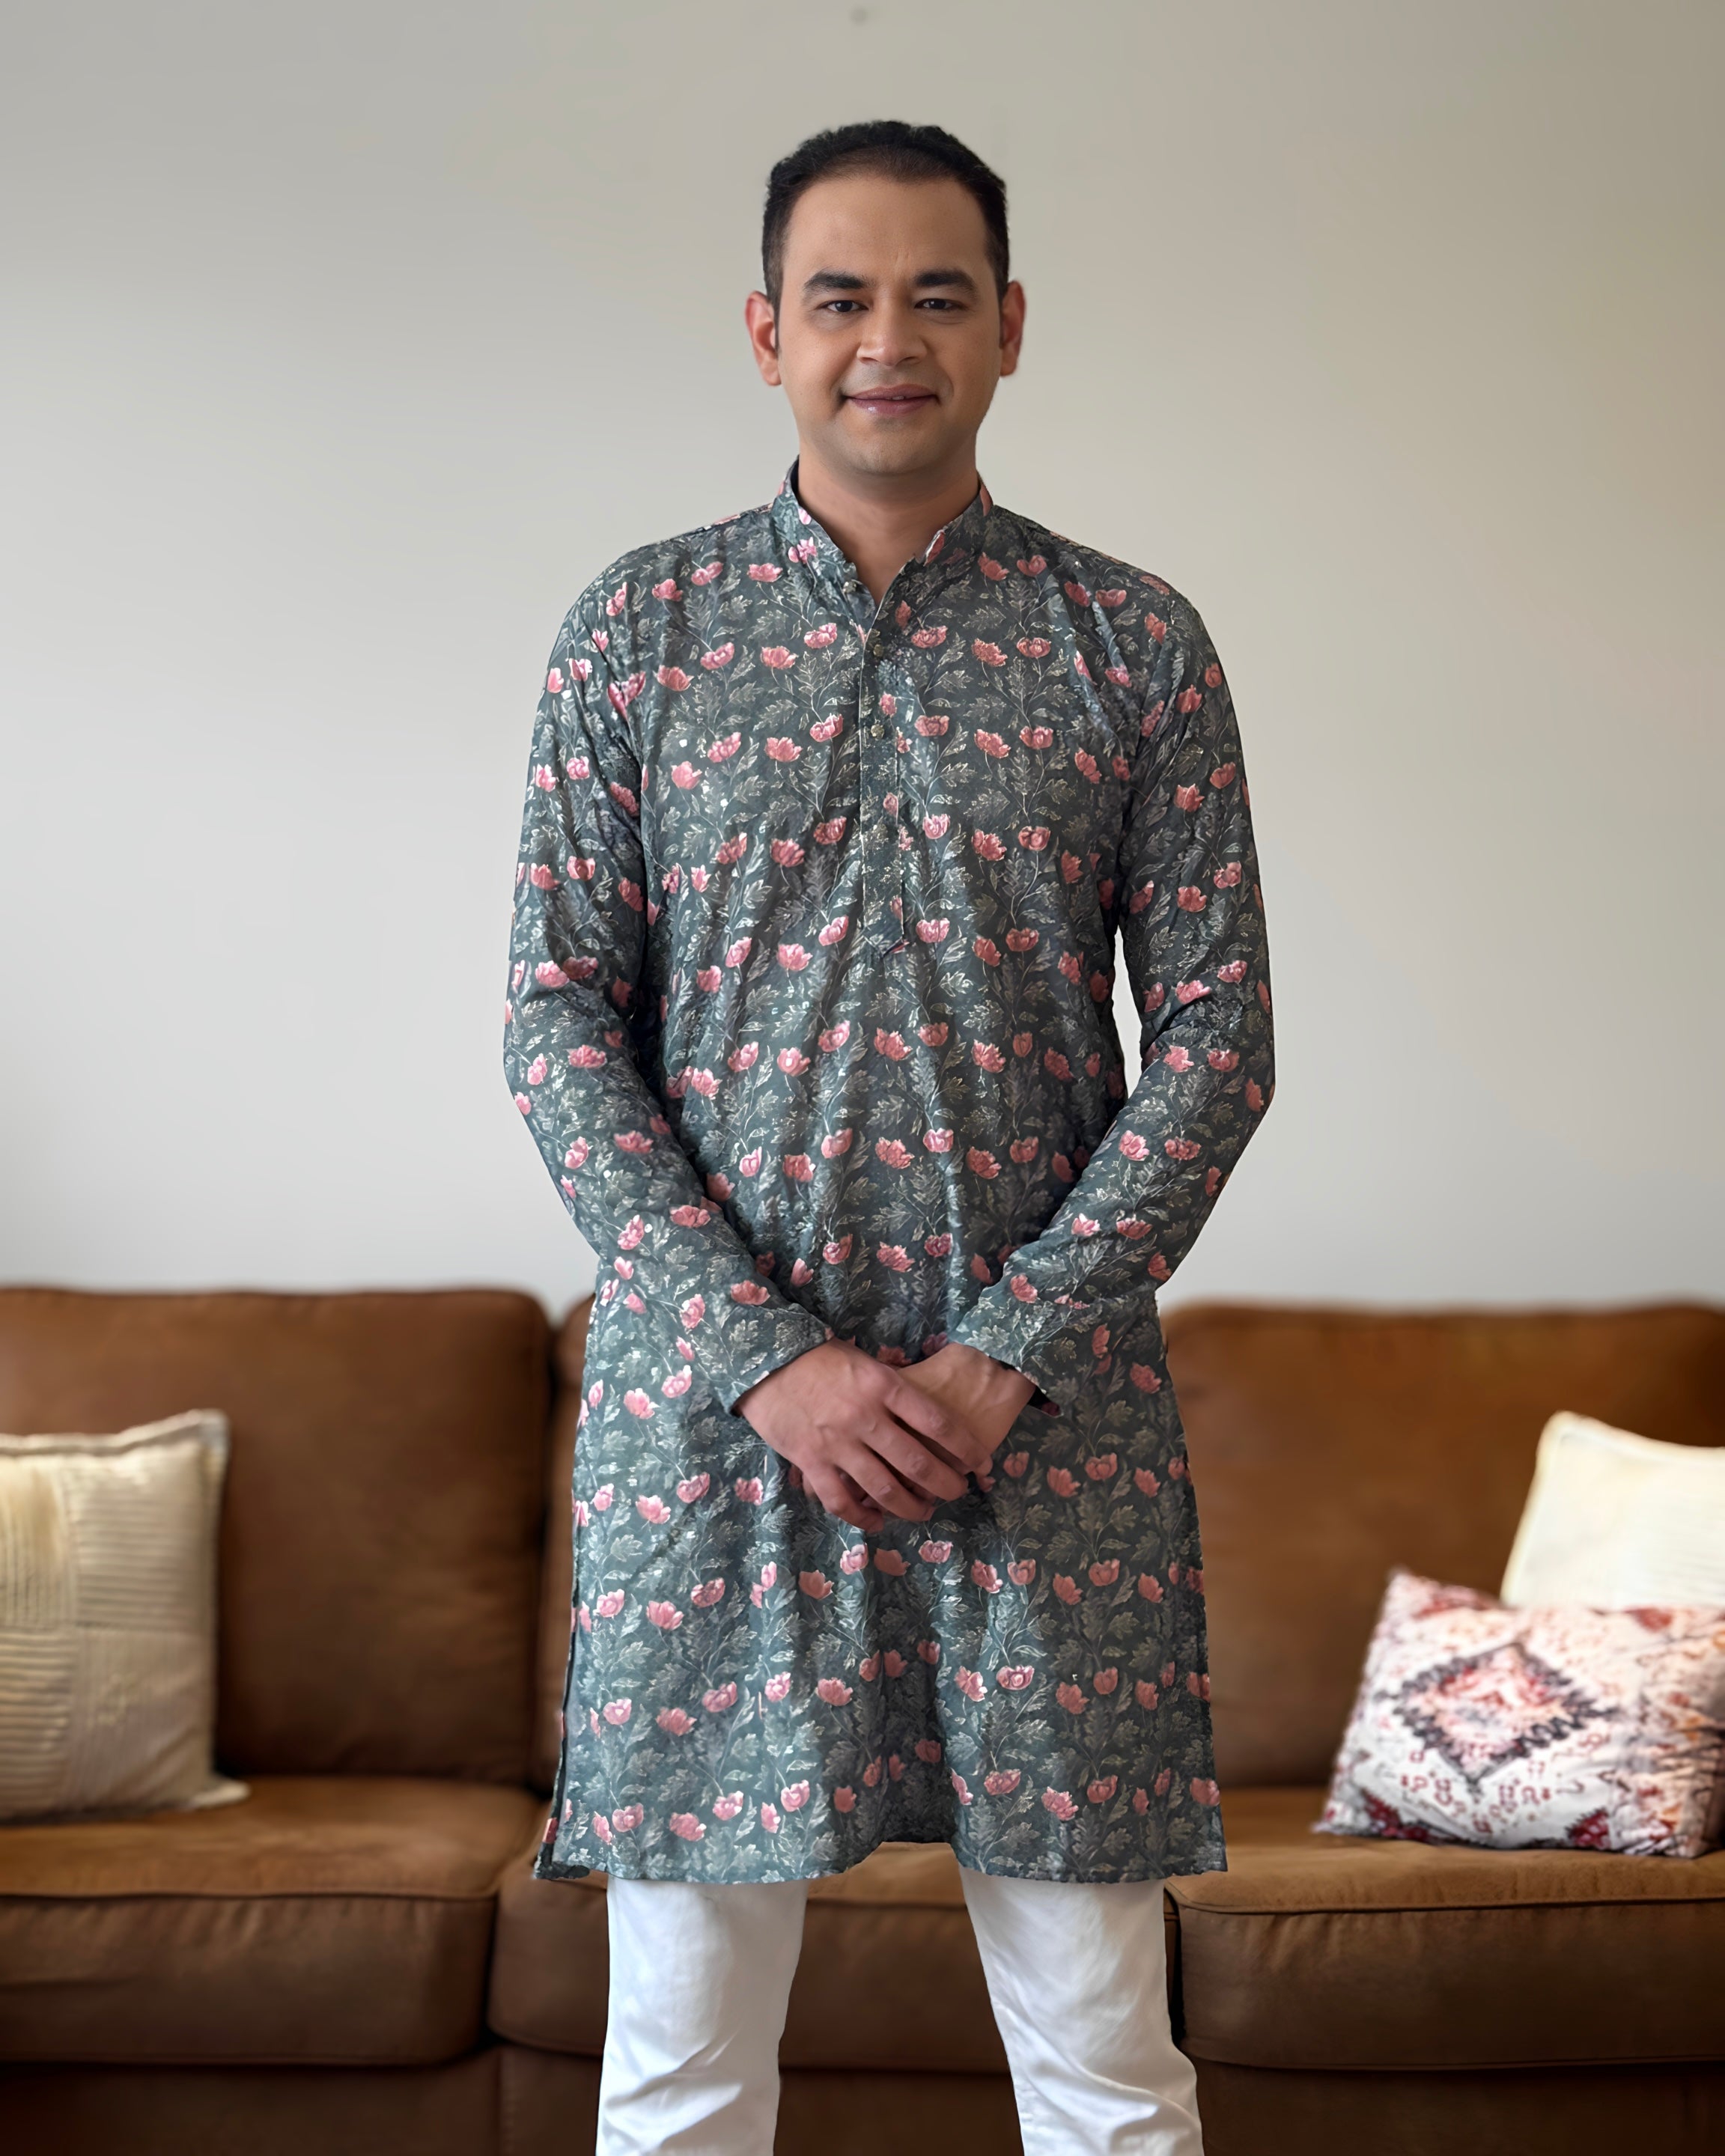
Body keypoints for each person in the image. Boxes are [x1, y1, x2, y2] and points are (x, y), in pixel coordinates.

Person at [504, 118, 1274, 2156]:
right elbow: (558, 1027)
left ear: (1010, 327)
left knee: (1107, 2065)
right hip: (715, 1443)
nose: (888, 340)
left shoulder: (1136, 647)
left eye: (939, 295)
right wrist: (774, 1360)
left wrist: (1008, 1345)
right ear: (767, 331)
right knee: (677, 2072)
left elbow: (1215, 1041)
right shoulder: (638, 638)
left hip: (1045, 1445)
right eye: (841, 297)